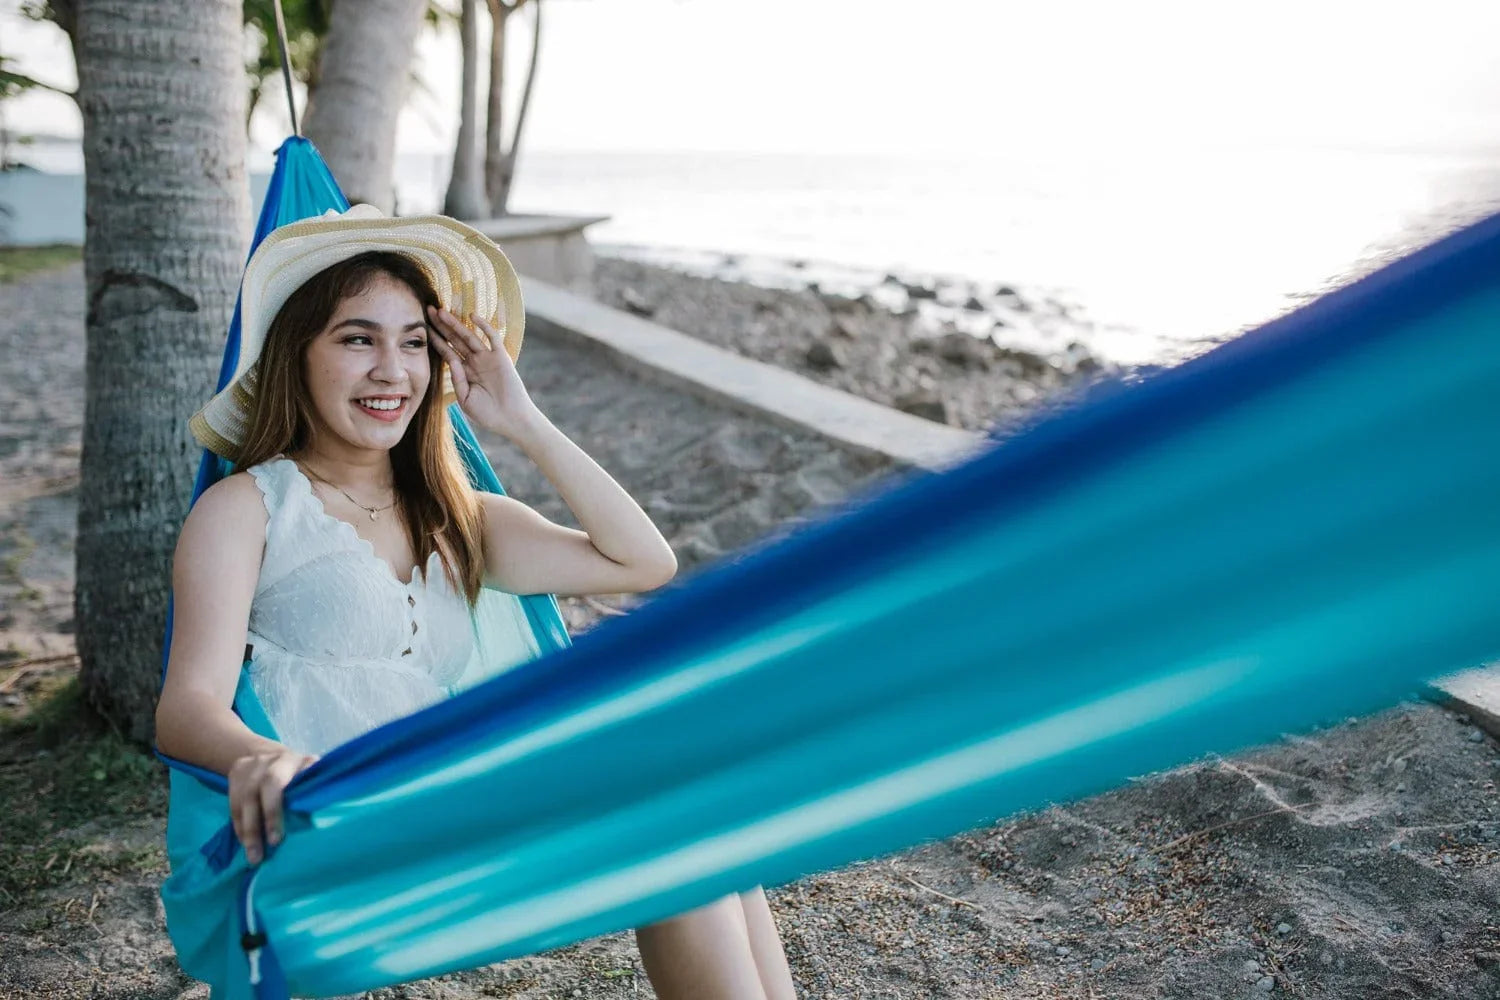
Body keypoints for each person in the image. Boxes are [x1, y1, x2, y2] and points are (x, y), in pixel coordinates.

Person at [154, 206, 799, 1000]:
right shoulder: (250, 509)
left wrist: (521, 422)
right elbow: (186, 705)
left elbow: (642, 561)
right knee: (675, 839)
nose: (392, 369)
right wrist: (262, 756)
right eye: (358, 338)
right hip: (341, 824)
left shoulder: (457, 517)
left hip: (453, 804)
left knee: (705, 815)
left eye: (414, 342)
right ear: (300, 355)